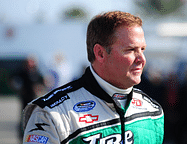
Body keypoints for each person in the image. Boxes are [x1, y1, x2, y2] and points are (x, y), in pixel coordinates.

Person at [22, 11, 164, 144]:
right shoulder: (50, 114)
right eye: (131, 50)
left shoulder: (152, 111)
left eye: (142, 49)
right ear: (100, 53)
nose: (142, 59)